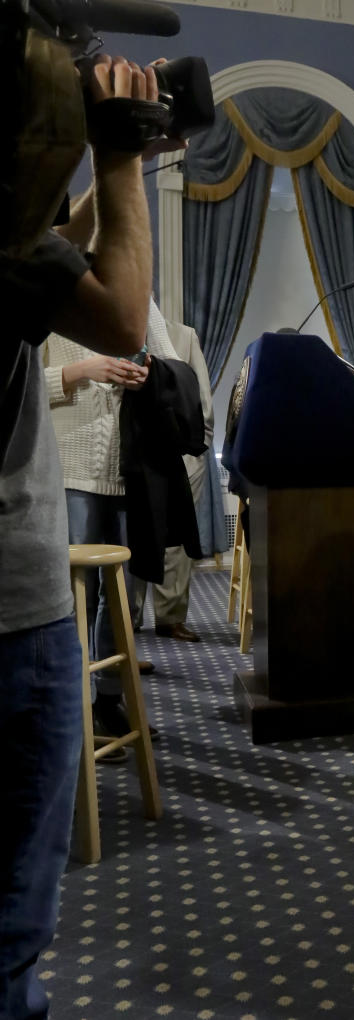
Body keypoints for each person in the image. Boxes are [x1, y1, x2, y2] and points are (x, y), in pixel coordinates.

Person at [0, 52, 158, 1018]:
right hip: (13, 614)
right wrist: (122, 155)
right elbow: (126, 317)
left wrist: (91, 207)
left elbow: (49, 247)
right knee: (13, 932)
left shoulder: (20, 245)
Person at [44, 298, 179, 746]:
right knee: (75, 593)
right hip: (71, 465)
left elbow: (173, 366)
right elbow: (26, 385)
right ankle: (67, 705)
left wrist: (147, 372)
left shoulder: (135, 292)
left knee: (123, 596)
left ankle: (108, 699)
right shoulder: (50, 289)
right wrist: (83, 370)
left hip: (131, 465)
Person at [132, 316, 215, 643]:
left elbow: (202, 395)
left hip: (181, 457)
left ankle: (171, 618)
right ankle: (129, 618)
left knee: (177, 543)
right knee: (133, 539)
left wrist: (200, 445)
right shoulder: (111, 332)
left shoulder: (184, 336)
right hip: (132, 458)